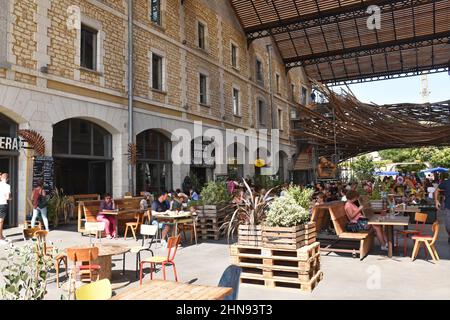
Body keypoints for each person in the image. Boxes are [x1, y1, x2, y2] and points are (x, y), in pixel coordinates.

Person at [435, 178, 450, 243]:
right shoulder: (446, 182)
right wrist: (436, 201)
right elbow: (437, 190)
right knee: (448, 226)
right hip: (448, 207)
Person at [0, 173, 11, 244]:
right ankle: (0, 238)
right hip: (3, 204)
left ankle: (1, 236)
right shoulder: (7, 186)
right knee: (1, 222)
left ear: (1, 178)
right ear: (7, 179)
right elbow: (7, 197)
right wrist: (10, 198)